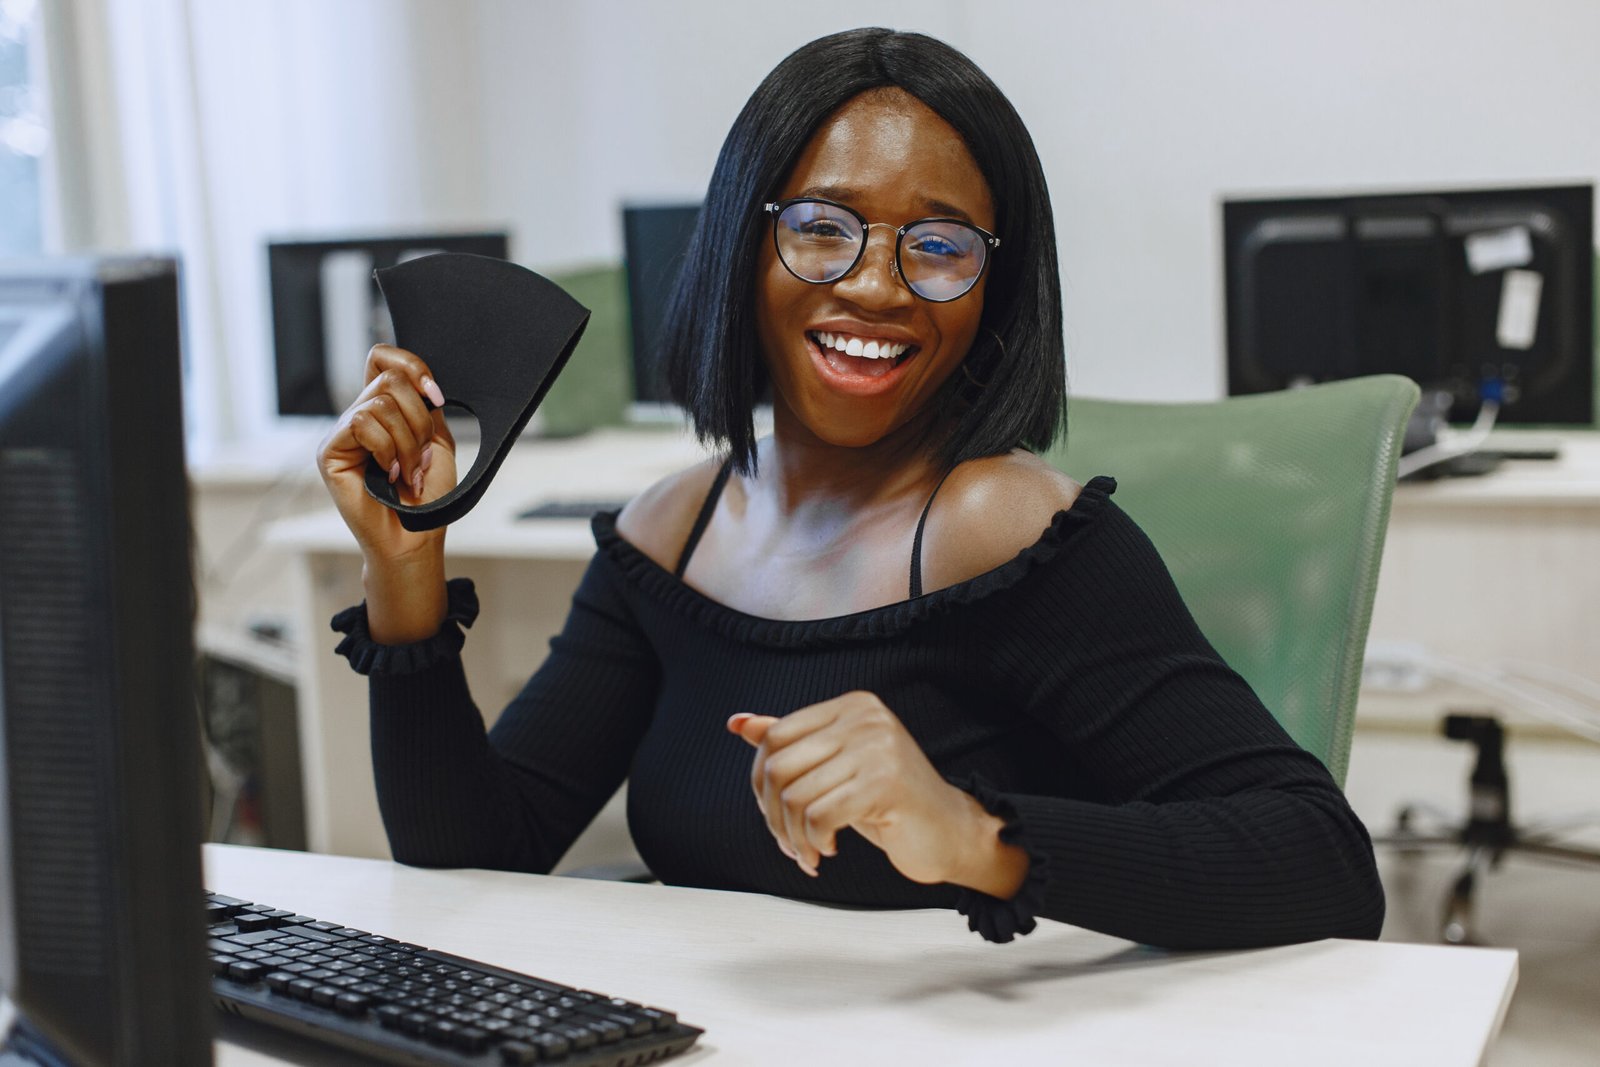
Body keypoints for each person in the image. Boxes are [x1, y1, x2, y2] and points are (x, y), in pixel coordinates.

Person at [316, 28, 1385, 949]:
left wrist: (972, 837)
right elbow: (474, 855)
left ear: (989, 290)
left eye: (937, 245)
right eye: (823, 228)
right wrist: (403, 568)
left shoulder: (1008, 533)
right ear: (744, 245)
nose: (875, 283)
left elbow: (1321, 857)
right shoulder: (668, 537)